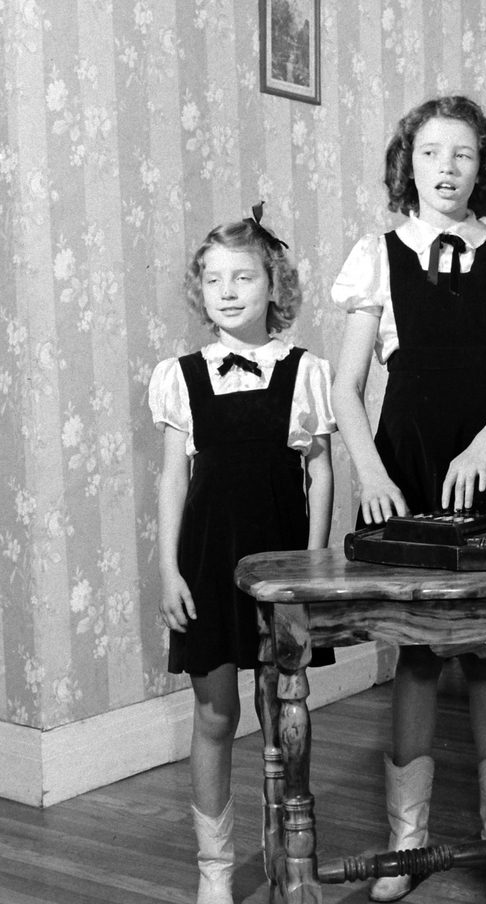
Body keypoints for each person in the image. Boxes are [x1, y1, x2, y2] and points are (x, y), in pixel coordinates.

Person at [331, 95, 486, 904]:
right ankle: (408, 842)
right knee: (416, 655)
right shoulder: (377, 254)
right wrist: (374, 474)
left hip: (485, 457)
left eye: (462, 154)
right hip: (407, 463)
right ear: (409, 163)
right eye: (431, 153)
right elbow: (349, 387)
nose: (447, 168)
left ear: (482, 166)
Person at [150, 208, 336, 904]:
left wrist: (314, 568)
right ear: (201, 290)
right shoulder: (180, 376)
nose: (228, 290)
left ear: (273, 283)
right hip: (205, 559)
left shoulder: (306, 371)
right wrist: (168, 568)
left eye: (245, 276)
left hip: (281, 566)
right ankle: (215, 869)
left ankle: (292, 849)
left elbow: (320, 473)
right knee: (216, 714)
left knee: (283, 705)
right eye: (214, 278)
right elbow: (174, 479)